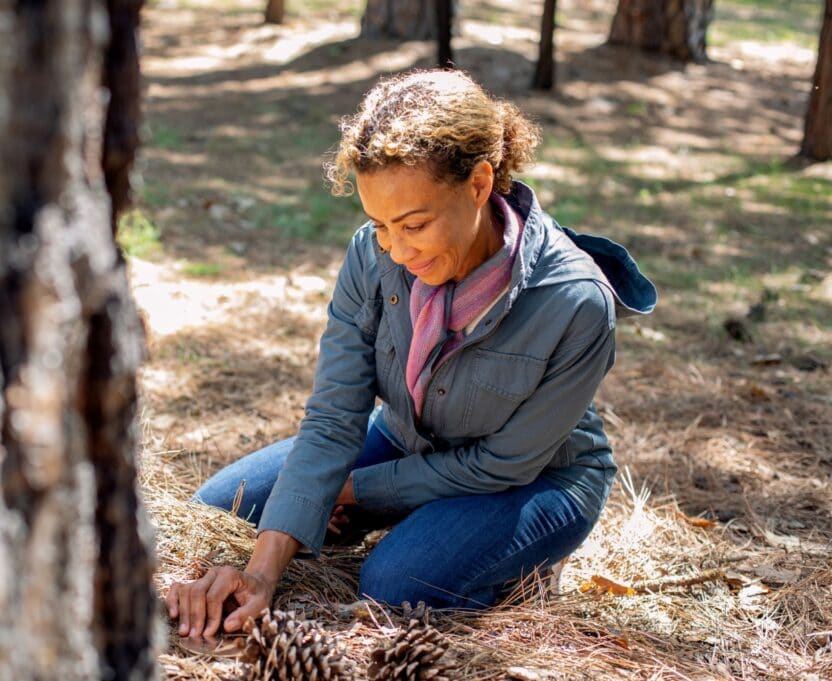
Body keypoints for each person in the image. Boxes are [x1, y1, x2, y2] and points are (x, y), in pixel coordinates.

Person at [166, 69, 656, 640]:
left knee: (395, 587)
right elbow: (333, 416)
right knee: (223, 508)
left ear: (479, 184)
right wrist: (262, 573)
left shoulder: (576, 302)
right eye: (380, 225)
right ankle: (422, 523)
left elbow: (503, 464)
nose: (396, 250)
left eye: (415, 224)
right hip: (409, 436)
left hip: (533, 480)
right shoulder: (371, 256)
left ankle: (515, 563)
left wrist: (351, 492)